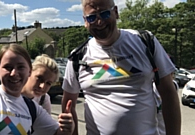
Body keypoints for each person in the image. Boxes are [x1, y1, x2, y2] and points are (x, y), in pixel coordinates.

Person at [61, 0, 181, 135]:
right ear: (85, 21)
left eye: (105, 14)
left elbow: (168, 93)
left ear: (116, 12)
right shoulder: (78, 57)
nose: (99, 22)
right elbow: (68, 106)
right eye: (92, 17)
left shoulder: (145, 41)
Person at [0, 44, 74, 135]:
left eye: (21, 67)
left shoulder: (33, 109)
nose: (14, 73)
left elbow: (58, 133)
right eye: (8, 67)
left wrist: (68, 128)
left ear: (29, 71)